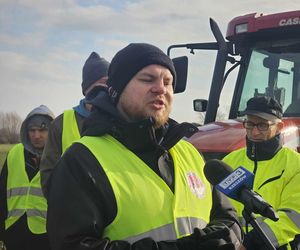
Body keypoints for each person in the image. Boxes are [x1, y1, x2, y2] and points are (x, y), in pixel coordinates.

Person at [47, 43, 243, 250]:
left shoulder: (189, 152)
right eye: (147, 79)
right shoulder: (82, 160)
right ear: (116, 91)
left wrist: (225, 237)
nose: (161, 88)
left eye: (168, 82)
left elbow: (227, 216)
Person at [223, 96, 300, 250]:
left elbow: (293, 216)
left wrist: (249, 244)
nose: (255, 132)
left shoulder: (296, 165)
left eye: (263, 125)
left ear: (279, 127)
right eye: (250, 124)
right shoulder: (229, 161)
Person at [40, 51, 110, 198]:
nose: (104, 90)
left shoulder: (123, 119)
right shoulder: (61, 123)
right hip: (75, 210)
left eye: (108, 84)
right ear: (87, 90)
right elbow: (48, 173)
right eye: (100, 84)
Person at [0, 105, 55, 250]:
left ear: (52, 131)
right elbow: (1, 194)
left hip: (46, 235)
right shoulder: (14, 154)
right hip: (14, 232)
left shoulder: (60, 157)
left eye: (42, 130)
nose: (36, 136)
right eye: (32, 130)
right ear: (26, 131)